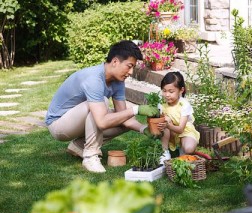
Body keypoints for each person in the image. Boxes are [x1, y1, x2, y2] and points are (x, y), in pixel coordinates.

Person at [45, 40, 159, 173]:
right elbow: (102, 122)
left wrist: (144, 129)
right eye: (129, 66)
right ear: (115, 61)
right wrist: (136, 109)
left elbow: (124, 117)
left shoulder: (118, 81)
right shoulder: (94, 79)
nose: (131, 72)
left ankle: (79, 146)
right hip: (59, 125)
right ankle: (90, 156)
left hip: (78, 121)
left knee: (121, 117)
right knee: (102, 104)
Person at [158, 71, 200, 163]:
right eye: (164, 91)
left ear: (181, 90)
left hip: (185, 131)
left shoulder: (184, 105)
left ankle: (183, 148)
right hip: (171, 133)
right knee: (165, 121)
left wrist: (167, 125)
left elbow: (181, 129)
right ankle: (165, 152)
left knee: (188, 149)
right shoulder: (162, 105)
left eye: (171, 91)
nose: (167, 94)